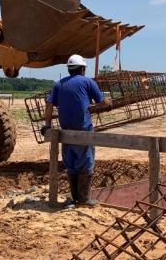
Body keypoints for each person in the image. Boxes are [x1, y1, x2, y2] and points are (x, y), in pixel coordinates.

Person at [40, 55, 112, 207]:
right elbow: (102, 102)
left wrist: (47, 124)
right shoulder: (87, 82)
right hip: (83, 132)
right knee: (85, 162)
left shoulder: (59, 84)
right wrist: (109, 104)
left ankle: (74, 199)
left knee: (71, 164)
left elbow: (49, 103)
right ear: (82, 69)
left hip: (66, 133)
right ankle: (84, 199)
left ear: (69, 69)